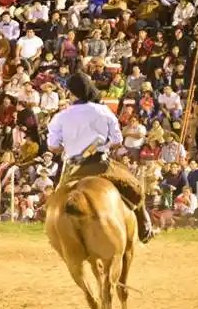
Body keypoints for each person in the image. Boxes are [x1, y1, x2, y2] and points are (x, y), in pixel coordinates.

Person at [46, 72, 153, 243]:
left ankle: (53, 235)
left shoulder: (60, 116)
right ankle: (144, 224)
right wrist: (99, 144)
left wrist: (69, 146)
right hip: (100, 164)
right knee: (134, 188)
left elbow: (53, 147)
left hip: (73, 167)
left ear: (71, 93)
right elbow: (117, 140)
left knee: (53, 203)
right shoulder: (104, 111)